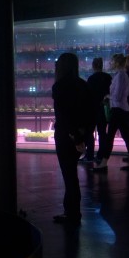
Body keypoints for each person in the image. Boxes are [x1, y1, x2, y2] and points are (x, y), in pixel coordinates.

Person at [51, 51, 92, 225]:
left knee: (69, 177)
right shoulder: (83, 84)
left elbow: (63, 115)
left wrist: (73, 135)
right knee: (72, 175)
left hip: (65, 136)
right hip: (79, 136)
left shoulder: (59, 86)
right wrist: (82, 136)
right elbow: (90, 113)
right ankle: (72, 212)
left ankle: (72, 214)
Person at [93, 52, 129, 171]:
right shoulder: (121, 75)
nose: (110, 63)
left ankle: (104, 162)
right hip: (121, 109)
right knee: (126, 135)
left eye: (112, 61)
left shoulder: (121, 76)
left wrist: (108, 97)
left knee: (111, 136)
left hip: (118, 109)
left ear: (117, 63)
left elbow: (117, 96)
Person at [82, 57, 111, 164]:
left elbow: (88, 95)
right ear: (102, 65)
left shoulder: (91, 79)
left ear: (93, 66)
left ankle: (89, 155)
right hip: (103, 109)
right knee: (102, 133)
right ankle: (100, 155)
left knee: (89, 132)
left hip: (92, 109)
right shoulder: (108, 77)